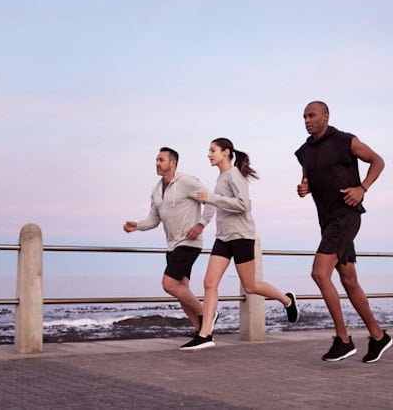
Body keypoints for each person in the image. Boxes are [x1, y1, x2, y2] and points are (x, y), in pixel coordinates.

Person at [294, 100, 393, 363]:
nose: (307, 120)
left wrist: (362, 188)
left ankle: (343, 339)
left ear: (326, 116)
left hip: (346, 216)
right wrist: (305, 189)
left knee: (319, 273)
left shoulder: (345, 140)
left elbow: (378, 161)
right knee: (348, 279)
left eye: (312, 115)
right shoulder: (304, 151)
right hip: (327, 221)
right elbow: (309, 181)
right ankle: (379, 336)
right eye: (304, 116)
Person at [180, 138, 299, 351]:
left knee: (251, 286)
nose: (209, 154)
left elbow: (244, 206)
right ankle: (205, 333)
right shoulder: (221, 177)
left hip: (242, 236)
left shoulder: (235, 175)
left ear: (226, 152)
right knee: (209, 283)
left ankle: (287, 300)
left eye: (213, 150)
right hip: (223, 237)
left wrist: (212, 199)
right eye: (209, 150)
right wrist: (210, 202)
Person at [123, 147, 216, 333]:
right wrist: (137, 226)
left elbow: (212, 201)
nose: (157, 163)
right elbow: (154, 219)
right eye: (156, 160)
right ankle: (202, 333)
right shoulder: (156, 190)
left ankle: (207, 314)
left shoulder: (187, 182)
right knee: (182, 290)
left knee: (169, 284)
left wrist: (200, 225)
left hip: (189, 242)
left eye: (161, 160)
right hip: (172, 245)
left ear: (172, 163)